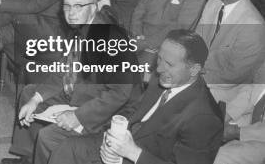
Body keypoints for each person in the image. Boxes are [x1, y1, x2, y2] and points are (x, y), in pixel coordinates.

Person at [0, 0, 141, 164]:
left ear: (94, 7)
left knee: (48, 135)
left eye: (78, 6)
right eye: (66, 6)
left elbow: (118, 94)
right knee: (28, 93)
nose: (71, 12)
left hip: (109, 110)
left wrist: (77, 116)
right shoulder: (81, 29)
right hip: (83, 90)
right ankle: (29, 157)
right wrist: (36, 98)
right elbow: (65, 69)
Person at [47, 29, 223, 164]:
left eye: (169, 64)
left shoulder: (204, 117)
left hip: (140, 156)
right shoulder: (164, 77)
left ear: (194, 70)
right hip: (122, 141)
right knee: (64, 147)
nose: (159, 68)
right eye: (159, 59)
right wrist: (109, 130)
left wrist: (132, 153)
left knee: (67, 149)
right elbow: (135, 110)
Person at [196, 0, 265, 101]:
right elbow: (196, 41)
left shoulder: (253, 26)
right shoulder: (213, 3)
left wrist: (193, 76)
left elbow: (235, 76)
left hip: (223, 88)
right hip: (197, 71)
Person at [214, 84, 265, 164]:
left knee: (222, 156)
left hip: (260, 140)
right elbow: (252, 92)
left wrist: (237, 132)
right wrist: (226, 115)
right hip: (249, 123)